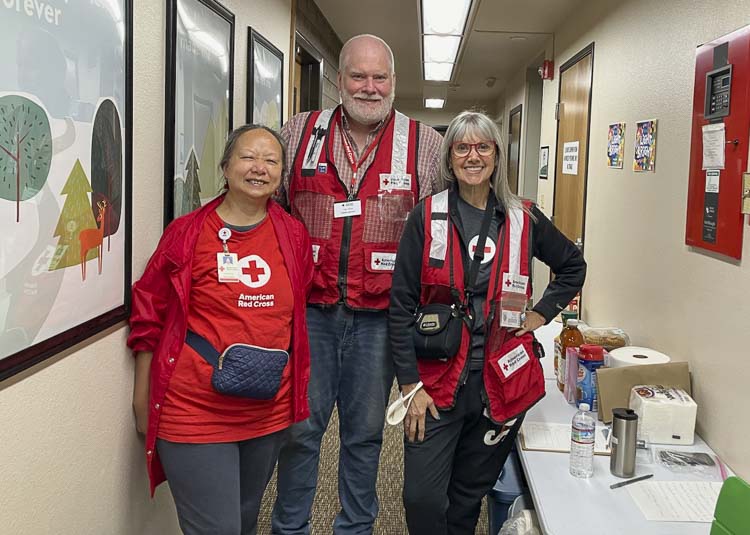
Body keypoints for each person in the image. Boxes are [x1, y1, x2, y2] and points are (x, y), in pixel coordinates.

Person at [272, 34, 443, 534]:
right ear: (338, 80)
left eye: (380, 77)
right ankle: (290, 528)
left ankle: (354, 528)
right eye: (358, 76)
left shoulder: (424, 143)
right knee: (300, 431)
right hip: (310, 311)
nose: (369, 87)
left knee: (365, 435)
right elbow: (270, 209)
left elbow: (444, 227)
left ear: (394, 82)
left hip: (382, 319)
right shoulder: (300, 132)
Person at [389, 111, 586, 534]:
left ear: (497, 156)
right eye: (462, 147)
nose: (472, 156)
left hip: (500, 382)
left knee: (466, 496)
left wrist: (539, 314)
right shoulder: (427, 216)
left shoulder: (523, 216)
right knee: (421, 497)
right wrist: (409, 387)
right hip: (435, 384)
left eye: (483, 147)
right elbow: (401, 305)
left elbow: (572, 266)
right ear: (450, 158)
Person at [128, 125, 313, 535]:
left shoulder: (293, 235)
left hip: (266, 410)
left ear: (282, 174)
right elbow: (149, 312)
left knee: (245, 523)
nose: (259, 168)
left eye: (271, 160)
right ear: (226, 166)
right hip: (195, 409)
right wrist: (143, 395)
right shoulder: (187, 234)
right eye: (248, 157)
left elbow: (295, 306)